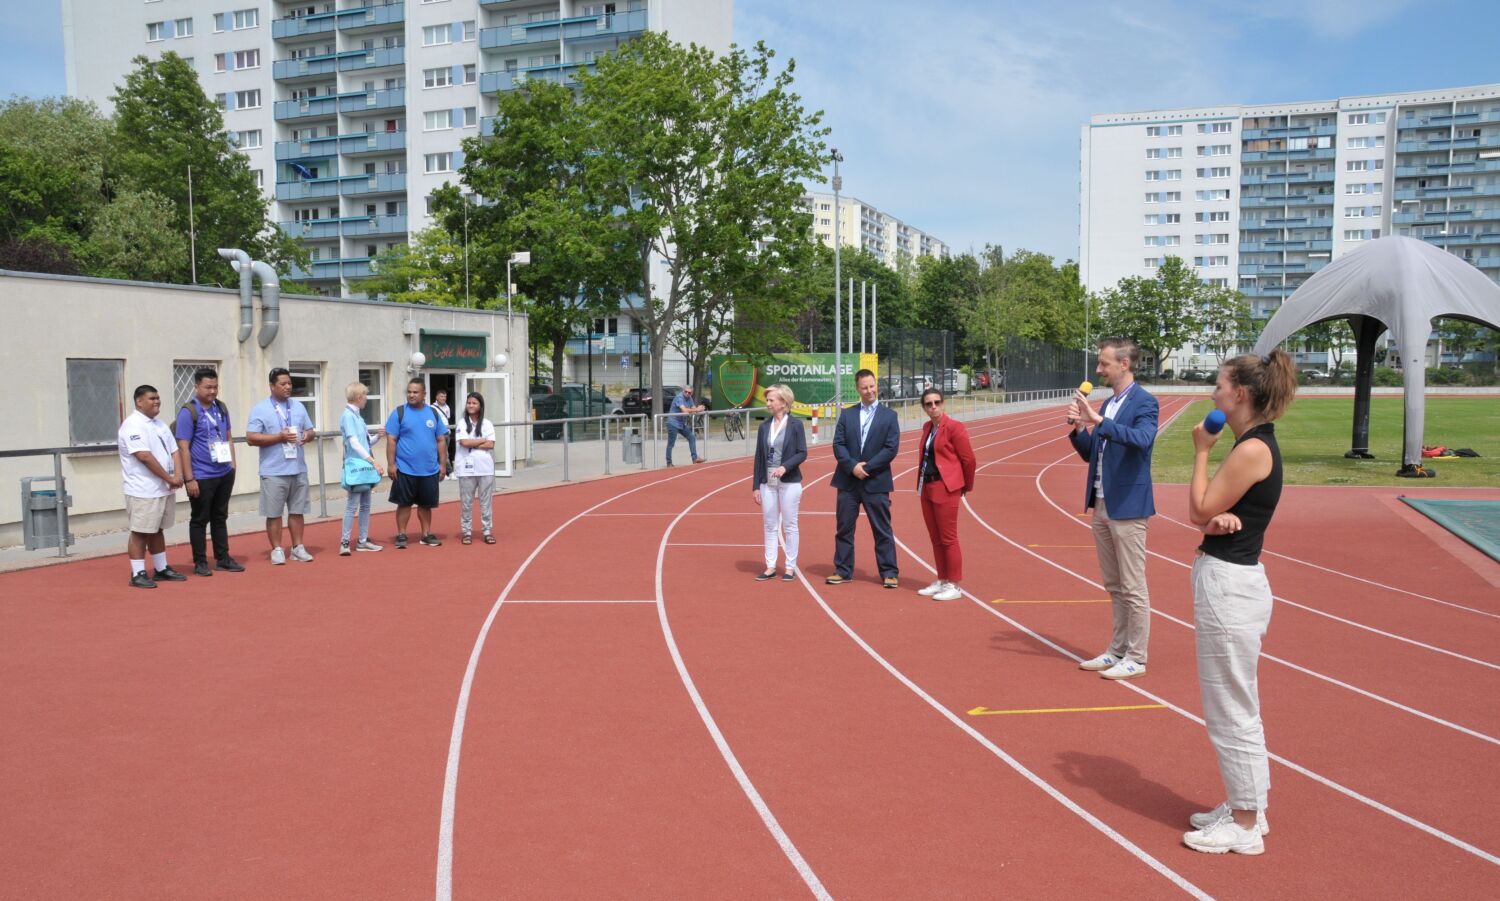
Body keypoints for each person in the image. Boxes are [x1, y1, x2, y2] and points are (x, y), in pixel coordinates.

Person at [1181, 350, 1297, 856]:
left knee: (1231, 708)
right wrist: (1212, 521)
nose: (1212, 393)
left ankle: (1246, 824)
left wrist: (1201, 451)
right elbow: (1214, 515)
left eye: (1218, 385)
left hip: (1230, 587)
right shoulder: (1250, 444)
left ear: (1240, 395)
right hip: (1233, 580)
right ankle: (1248, 805)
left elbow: (1199, 508)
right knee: (1236, 702)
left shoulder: (1249, 450)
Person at [1067, 337, 1159, 680]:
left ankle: (1137, 655)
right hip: (1102, 503)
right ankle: (1117, 650)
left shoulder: (1145, 402)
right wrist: (1080, 427)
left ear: (1124, 364)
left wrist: (1099, 421)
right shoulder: (1107, 405)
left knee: (1133, 585)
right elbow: (1093, 453)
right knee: (1114, 584)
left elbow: (1143, 440)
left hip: (1129, 507)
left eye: (1104, 363)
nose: (1097, 370)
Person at [828, 369, 901, 588]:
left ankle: (889, 572)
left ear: (876, 385)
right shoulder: (847, 415)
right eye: (864, 387)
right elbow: (838, 444)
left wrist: (866, 468)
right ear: (857, 389)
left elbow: (891, 449)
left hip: (875, 481)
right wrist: (852, 467)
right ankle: (843, 570)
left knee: (882, 529)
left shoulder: (889, 416)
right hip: (848, 481)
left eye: (872, 386)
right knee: (844, 529)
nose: (869, 391)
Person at [173, 367, 244, 576]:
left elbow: (228, 436)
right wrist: (189, 479)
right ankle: (200, 562)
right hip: (201, 476)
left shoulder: (221, 408)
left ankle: (223, 558)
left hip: (223, 472)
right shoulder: (189, 412)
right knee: (200, 519)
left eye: (215, 387)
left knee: (220, 517)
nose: (212, 391)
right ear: (196, 387)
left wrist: (233, 465)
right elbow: (183, 448)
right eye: (207, 387)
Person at [245, 367, 317, 565]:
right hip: (274, 470)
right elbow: (251, 437)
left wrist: (306, 436)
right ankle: (277, 549)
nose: (288, 387)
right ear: (272, 386)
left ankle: (298, 547)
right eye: (283, 384)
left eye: (289, 383)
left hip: (298, 468)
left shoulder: (298, 407)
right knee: (274, 512)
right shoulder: (261, 409)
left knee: (297, 511)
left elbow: (311, 431)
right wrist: (279, 437)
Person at [119, 384, 186, 588]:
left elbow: (174, 450)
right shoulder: (133, 425)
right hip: (143, 489)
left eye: (158, 398)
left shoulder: (159, 424)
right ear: (139, 401)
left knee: (157, 529)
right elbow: (144, 456)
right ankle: (138, 572)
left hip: (163, 488)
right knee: (140, 531)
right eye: (151, 398)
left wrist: (178, 475)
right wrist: (169, 477)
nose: (157, 401)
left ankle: (161, 568)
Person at [915, 388, 976, 602]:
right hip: (927, 487)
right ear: (923, 407)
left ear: (943, 404)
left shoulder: (955, 428)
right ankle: (941, 579)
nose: (933, 407)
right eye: (928, 404)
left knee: (948, 538)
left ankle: (954, 584)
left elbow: (968, 460)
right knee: (935, 538)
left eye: (937, 402)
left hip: (946, 488)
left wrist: (965, 486)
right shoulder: (927, 427)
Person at [751, 383, 807, 581]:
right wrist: (756, 485)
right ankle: (770, 566)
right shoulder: (764, 426)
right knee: (769, 524)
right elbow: (759, 456)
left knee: (790, 525)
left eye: (771, 400)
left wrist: (785, 467)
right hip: (768, 483)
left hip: (790, 482)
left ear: (783, 402)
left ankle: (790, 567)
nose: (767, 403)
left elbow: (802, 453)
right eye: (767, 400)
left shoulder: (796, 425)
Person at [385, 378, 449, 549]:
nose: (411, 395)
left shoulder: (433, 414)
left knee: (426, 505)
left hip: (429, 469)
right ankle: (402, 534)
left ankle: (426, 534)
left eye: (415, 392)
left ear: (424, 394)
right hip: (405, 469)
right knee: (404, 504)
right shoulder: (399, 413)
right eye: (409, 392)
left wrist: (442, 465)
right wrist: (391, 465)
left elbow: (441, 440)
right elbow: (391, 440)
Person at [338, 382, 385, 556]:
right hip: (357, 466)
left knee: (365, 505)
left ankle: (363, 541)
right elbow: (354, 443)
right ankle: (344, 542)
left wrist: (377, 437)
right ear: (359, 397)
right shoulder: (348, 416)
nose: (366, 398)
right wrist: (373, 461)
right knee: (352, 505)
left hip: (363, 465)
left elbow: (365, 442)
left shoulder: (359, 417)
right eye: (365, 395)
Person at [453, 391, 497, 545]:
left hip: (485, 468)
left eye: (474, 403)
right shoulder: (462, 423)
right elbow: (464, 443)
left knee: (486, 502)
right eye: (469, 403)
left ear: (480, 405)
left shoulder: (487, 424)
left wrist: (474, 441)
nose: (471, 406)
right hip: (466, 468)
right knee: (466, 502)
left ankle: (487, 531)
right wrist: (482, 440)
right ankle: (467, 531)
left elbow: (491, 444)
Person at [665, 384, 705, 466]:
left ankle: (695, 458)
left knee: (691, 437)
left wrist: (699, 408)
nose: (687, 394)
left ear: (691, 393)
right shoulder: (679, 397)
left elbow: (693, 409)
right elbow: (684, 410)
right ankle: (669, 463)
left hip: (681, 423)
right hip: (673, 423)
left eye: (689, 392)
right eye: (685, 392)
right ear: (683, 391)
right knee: (671, 443)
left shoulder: (689, 398)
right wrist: (697, 409)